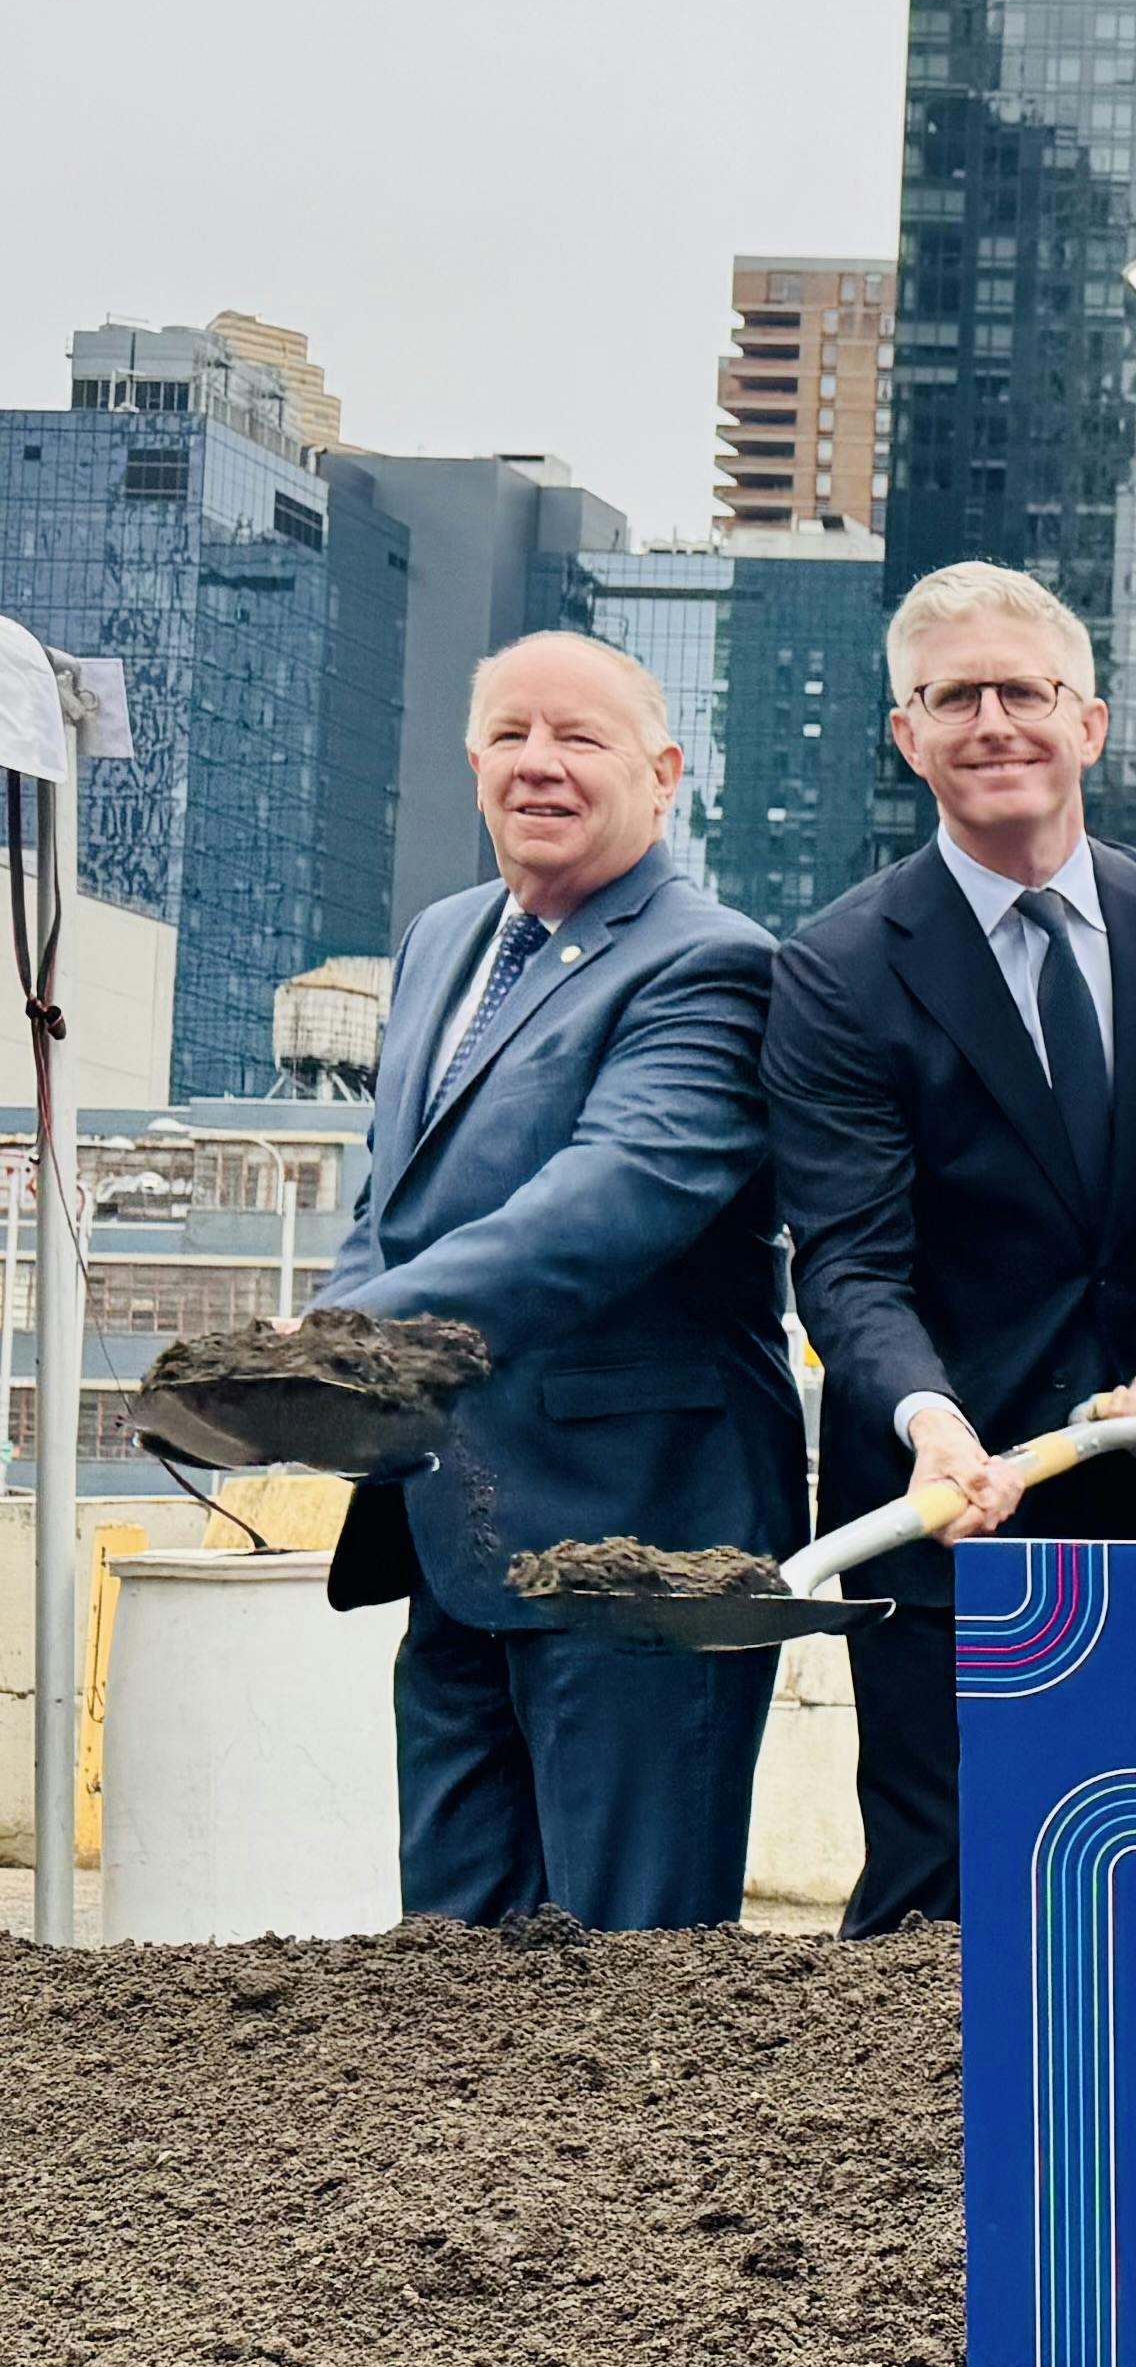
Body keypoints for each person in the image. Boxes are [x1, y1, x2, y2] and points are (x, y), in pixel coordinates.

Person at [766, 559, 1136, 1932]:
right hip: (946, 1501)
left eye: (1025, 689)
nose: (994, 719)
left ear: (1090, 722)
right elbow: (846, 1255)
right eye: (956, 696)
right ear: (908, 734)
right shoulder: (837, 964)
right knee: (936, 1899)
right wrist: (930, 1416)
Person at [317, 634, 801, 1931]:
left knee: (628, 1979)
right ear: (473, 761)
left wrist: (347, 1340)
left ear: (663, 771)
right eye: (512, 733)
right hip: (450, 1528)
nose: (541, 762)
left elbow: (606, 1202)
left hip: (644, 1537)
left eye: (580, 737)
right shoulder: (441, 939)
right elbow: (393, 1198)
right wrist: (321, 1342)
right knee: (452, 1967)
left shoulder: (715, 962)